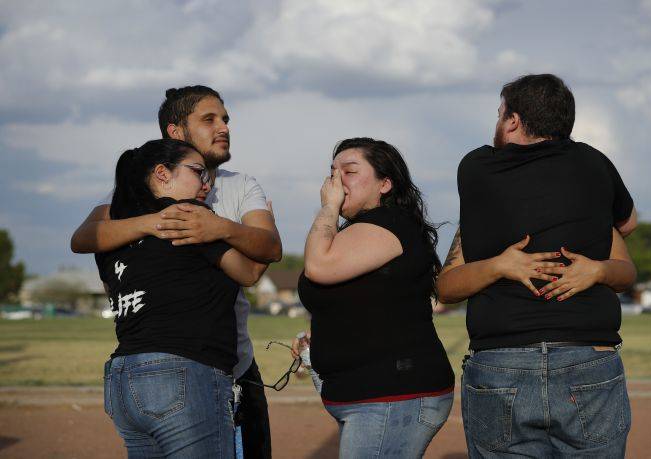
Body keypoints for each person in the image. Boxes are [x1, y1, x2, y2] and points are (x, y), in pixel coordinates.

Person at [71, 86, 280, 458]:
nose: (223, 127)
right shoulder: (163, 206)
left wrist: (221, 229)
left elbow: (267, 249)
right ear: (175, 132)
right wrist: (161, 222)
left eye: (226, 119)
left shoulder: (239, 185)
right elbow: (84, 236)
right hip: (194, 366)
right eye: (209, 119)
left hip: (135, 368)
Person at [436, 74, 638, 458]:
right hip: (587, 357)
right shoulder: (595, 163)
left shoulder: (476, 168)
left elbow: (446, 287)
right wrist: (596, 266)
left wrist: (499, 265)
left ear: (512, 121)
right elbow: (627, 224)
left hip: (501, 361)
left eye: (499, 115)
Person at [97, 139, 263, 457]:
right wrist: (256, 228)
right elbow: (249, 272)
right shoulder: (189, 216)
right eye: (198, 171)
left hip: (123, 376)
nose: (206, 181)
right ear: (162, 173)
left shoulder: (114, 232)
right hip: (183, 370)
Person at [297, 138, 455, 459]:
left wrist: (328, 207)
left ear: (385, 184)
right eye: (332, 171)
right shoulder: (356, 231)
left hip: (392, 393)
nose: (336, 180)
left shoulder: (389, 224)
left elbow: (317, 266)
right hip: (369, 395)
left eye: (350, 171)